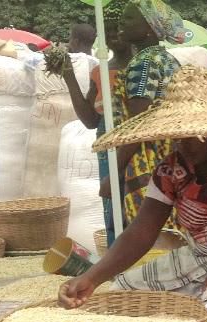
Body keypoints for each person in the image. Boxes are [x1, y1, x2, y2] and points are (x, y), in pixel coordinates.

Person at [59, 66, 207, 322]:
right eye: (176, 136)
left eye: (189, 136)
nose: (181, 144)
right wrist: (92, 278)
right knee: (124, 291)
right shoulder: (172, 168)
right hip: (203, 255)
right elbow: (141, 231)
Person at [111, 0, 186, 231]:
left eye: (130, 18)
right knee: (171, 230)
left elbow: (138, 124)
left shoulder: (142, 64)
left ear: (149, 28)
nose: (121, 22)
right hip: (172, 159)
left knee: (146, 234)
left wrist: (115, 173)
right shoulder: (169, 60)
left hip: (146, 162)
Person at [61, 20, 131, 248]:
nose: (113, 35)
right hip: (107, 148)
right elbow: (91, 121)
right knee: (114, 208)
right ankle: (116, 262)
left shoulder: (144, 68)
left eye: (117, 29)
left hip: (139, 147)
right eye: (107, 31)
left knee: (140, 205)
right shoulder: (100, 72)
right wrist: (69, 76)